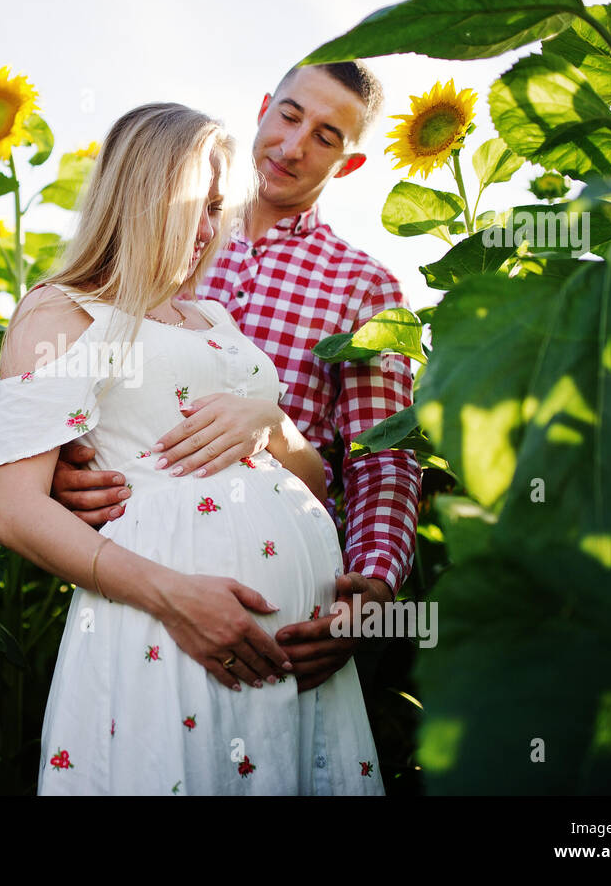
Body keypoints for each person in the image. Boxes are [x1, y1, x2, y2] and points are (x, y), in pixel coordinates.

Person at [0, 102, 385, 795]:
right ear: (140, 195)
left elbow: (316, 482)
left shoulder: (214, 316)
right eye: (196, 205)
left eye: (218, 209)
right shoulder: (62, 310)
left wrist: (272, 423)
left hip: (295, 662)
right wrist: (176, 597)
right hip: (162, 629)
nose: (208, 230)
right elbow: (15, 511)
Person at [50, 63, 422, 693]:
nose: (294, 145)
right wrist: (63, 464)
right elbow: (81, 376)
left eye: (327, 137)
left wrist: (374, 585)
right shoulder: (174, 236)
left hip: (281, 599)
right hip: (142, 571)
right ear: (262, 109)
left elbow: (380, 456)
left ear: (348, 165)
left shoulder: (364, 286)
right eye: (290, 114)